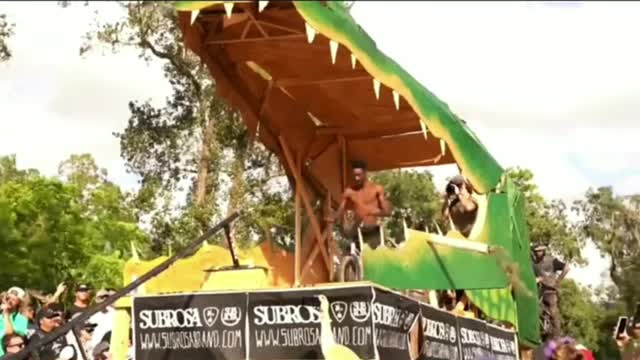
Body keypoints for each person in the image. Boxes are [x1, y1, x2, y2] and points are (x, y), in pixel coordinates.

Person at [330, 160, 392, 249]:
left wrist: (371, 212)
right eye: (354, 175)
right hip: (357, 231)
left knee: (372, 259)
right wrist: (332, 218)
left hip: (373, 231)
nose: (356, 178)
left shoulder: (377, 189)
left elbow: (387, 212)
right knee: (351, 254)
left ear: (365, 173)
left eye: (359, 175)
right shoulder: (349, 192)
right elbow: (339, 211)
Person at [532, 244, 569, 339]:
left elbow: (566, 267)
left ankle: (557, 336)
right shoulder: (533, 264)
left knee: (553, 312)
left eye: (540, 251)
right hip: (538, 291)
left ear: (544, 251)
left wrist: (558, 280)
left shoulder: (551, 261)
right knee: (535, 311)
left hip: (550, 290)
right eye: (537, 251)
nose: (538, 253)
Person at [0, 287, 29, 357]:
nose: (9, 301)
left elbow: (9, 334)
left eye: (14, 300)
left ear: (19, 302)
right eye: (8, 298)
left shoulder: (22, 320)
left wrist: (6, 313)